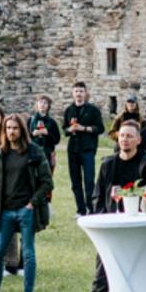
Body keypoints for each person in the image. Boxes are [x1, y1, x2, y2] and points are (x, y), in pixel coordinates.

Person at [73, 120, 146, 292]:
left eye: (129, 136)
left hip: (139, 230)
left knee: (139, 281)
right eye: (122, 136)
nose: (125, 140)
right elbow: (97, 196)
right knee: (101, 281)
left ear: (139, 140)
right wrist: (102, 220)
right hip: (111, 231)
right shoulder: (108, 164)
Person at [0, 114, 50, 292]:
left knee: (28, 254)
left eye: (15, 128)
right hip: (5, 211)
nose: (11, 131)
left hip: (26, 210)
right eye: (8, 128)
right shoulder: (0, 154)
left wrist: (32, 203)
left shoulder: (34, 152)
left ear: (22, 130)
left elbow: (46, 182)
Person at [59, 84, 103, 216]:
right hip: (73, 150)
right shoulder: (69, 110)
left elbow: (100, 129)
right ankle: (81, 210)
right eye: (76, 91)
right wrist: (69, 129)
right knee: (75, 182)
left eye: (81, 91)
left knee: (89, 181)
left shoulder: (93, 110)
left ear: (86, 93)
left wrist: (83, 128)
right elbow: (65, 129)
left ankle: (91, 208)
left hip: (87, 149)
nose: (78, 94)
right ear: (73, 93)